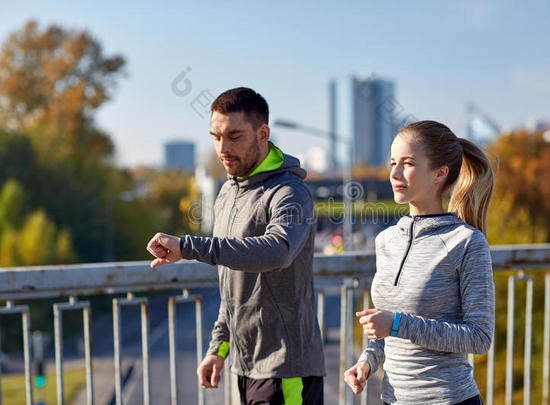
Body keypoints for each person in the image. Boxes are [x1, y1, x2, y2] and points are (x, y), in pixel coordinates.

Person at [146, 87, 325, 404]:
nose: (222, 148)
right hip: (244, 368)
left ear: (262, 133)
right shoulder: (228, 193)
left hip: (287, 371)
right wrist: (218, 348)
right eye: (216, 136)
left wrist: (188, 246)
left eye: (234, 136)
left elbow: (278, 251)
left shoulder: (289, 192)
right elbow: (233, 288)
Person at [344, 120, 495, 405]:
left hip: (448, 399)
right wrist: (367, 360)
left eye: (408, 163)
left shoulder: (466, 242)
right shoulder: (386, 240)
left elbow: (479, 337)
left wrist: (398, 324)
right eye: (392, 163)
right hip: (392, 399)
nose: (394, 173)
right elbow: (387, 327)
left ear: (440, 173)